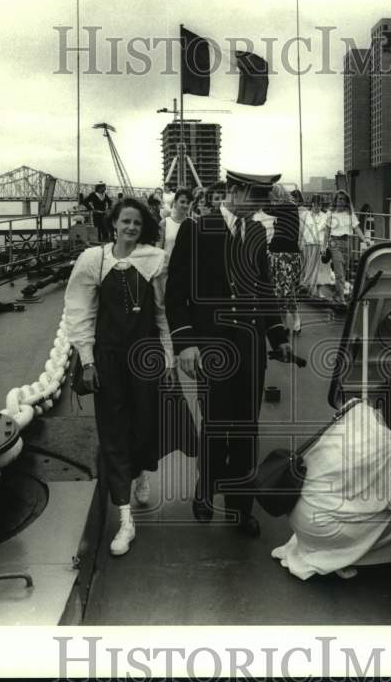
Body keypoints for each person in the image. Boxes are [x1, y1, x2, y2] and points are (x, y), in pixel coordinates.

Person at [165, 170, 291, 537]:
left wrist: (277, 334)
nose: (260, 206)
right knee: (217, 423)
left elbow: (264, 286)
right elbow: (177, 292)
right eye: (256, 197)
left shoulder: (254, 232)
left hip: (250, 346)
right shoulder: (197, 228)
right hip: (213, 345)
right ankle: (206, 490)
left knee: (246, 427)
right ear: (235, 191)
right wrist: (186, 343)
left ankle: (240, 507)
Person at [64, 197, 185, 558]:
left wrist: (168, 358)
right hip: (109, 359)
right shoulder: (93, 260)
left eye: (136, 223)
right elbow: (80, 311)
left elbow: (162, 313)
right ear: (113, 223)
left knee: (144, 424)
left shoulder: (156, 260)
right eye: (125, 222)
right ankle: (124, 517)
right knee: (113, 430)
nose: (130, 228)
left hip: (145, 358)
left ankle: (139, 473)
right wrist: (87, 360)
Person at [270, 377, 391, 580]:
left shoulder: (354, 407)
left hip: (298, 513)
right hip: (324, 531)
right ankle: (342, 556)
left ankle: (331, 552)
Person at [267, 183, 303, 335]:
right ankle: (292, 321)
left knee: (284, 290)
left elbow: (267, 210)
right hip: (278, 252)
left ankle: (290, 321)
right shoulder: (286, 207)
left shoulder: (287, 206)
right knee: (283, 290)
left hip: (286, 253)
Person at [324, 190, 366, 304]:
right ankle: (341, 298)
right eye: (339, 199)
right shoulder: (330, 214)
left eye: (343, 199)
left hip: (347, 242)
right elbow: (327, 231)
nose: (341, 201)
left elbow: (357, 228)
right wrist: (324, 247)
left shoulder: (350, 214)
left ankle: (337, 295)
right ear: (336, 200)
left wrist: (364, 239)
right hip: (334, 242)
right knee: (340, 273)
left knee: (345, 270)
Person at [299, 196, 323, 297]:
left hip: (317, 245)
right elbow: (301, 230)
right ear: (312, 204)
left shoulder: (324, 216)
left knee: (313, 269)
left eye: (320, 204)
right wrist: (299, 242)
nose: (317, 207)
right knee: (305, 267)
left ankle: (310, 290)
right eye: (316, 204)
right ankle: (303, 288)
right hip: (306, 243)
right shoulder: (305, 215)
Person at [159, 187, 193, 259]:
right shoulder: (165, 223)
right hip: (168, 267)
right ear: (175, 203)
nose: (185, 205)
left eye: (188, 203)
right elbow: (158, 248)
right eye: (182, 202)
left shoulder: (193, 224)